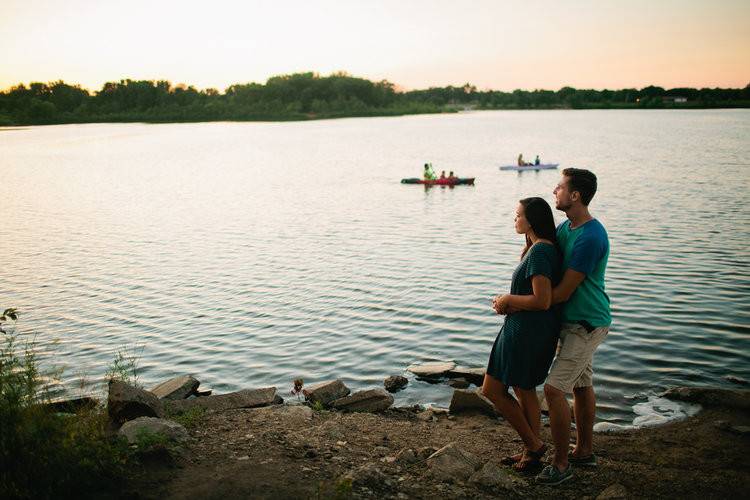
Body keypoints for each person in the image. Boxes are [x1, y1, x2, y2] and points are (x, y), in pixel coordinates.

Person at [536, 168, 610, 485]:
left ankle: (561, 463)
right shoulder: (567, 227)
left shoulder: (591, 237)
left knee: (553, 390)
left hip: (586, 323)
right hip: (572, 322)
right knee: (581, 385)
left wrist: (520, 303)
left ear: (575, 195)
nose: (555, 190)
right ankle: (584, 451)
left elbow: (563, 292)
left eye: (560, 187)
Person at [482, 197, 562, 473]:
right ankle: (531, 451)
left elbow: (542, 301)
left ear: (531, 221)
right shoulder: (535, 249)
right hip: (521, 328)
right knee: (523, 389)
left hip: (528, 332)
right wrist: (508, 303)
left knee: (493, 390)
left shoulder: (540, 252)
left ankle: (534, 445)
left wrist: (508, 299)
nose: (514, 219)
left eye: (517, 215)